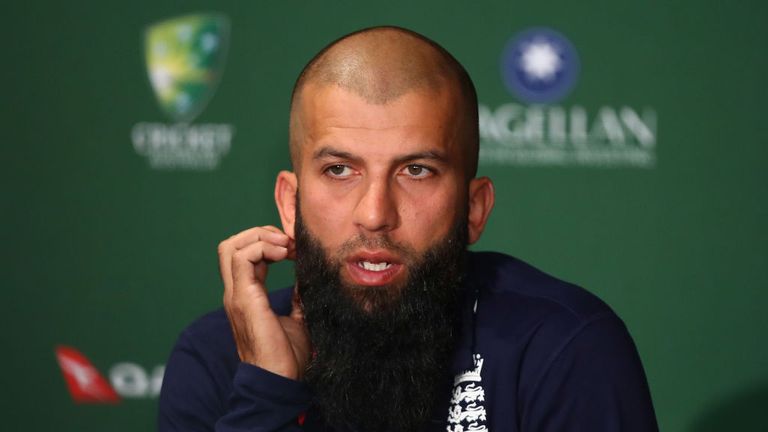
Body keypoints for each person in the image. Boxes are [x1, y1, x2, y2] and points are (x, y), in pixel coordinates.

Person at [158, 26, 658, 432]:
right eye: (340, 170)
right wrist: (265, 393)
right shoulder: (218, 355)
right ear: (290, 203)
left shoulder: (561, 346)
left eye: (416, 170)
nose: (375, 214)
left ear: (474, 209)